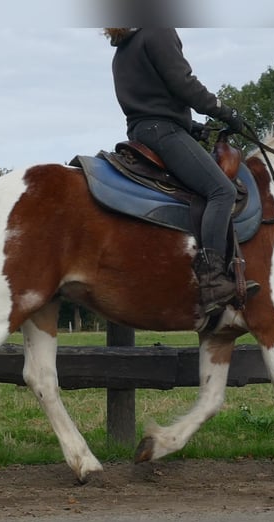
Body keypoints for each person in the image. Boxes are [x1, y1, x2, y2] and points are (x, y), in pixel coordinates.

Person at [104, 27, 257, 316]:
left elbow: (152, 100)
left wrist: (191, 127)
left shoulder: (123, 46)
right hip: (162, 132)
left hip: (144, 130)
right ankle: (213, 282)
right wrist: (225, 111)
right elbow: (183, 83)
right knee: (221, 190)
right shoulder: (157, 31)